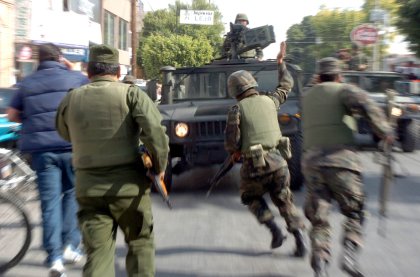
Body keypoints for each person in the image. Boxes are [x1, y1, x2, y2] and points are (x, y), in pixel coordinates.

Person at [56, 44, 169, 277]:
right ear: (117, 71)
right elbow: (156, 134)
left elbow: (65, 133)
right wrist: (158, 169)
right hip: (129, 189)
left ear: (89, 71)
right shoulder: (131, 94)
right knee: (140, 244)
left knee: (97, 253)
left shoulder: (71, 99)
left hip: (88, 190)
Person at [301, 57, 394, 277]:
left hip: (312, 163)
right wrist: (385, 132)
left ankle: (320, 262)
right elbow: (366, 104)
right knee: (355, 211)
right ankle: (349, 255)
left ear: (317, 76)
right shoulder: (344, 89)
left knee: (319, 218)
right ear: (338, 75)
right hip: (342, 161)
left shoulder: (307, 95)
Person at [7, 43, 88, 277]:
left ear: (37, 60)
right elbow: (89, 96)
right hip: (72, 147)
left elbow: (12, 115)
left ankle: (55, 259)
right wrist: (73, 67)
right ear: (60, 58)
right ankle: (71, 246)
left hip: (42, 152)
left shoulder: (27, 83)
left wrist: (32, 118)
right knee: (72, 194)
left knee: (49, 203)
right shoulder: (75, 78)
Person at [224, 42, 306, 257]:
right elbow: (286, 85)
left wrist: (235, 152)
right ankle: (300, 241)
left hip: (254, 166)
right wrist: (280, 63)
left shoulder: (236, 109)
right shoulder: (271, 101)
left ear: (234, 91)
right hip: (280, 163)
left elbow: (232, 143)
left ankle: (275, 231)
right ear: (253, 84)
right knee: (284, 200)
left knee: (250, 197)